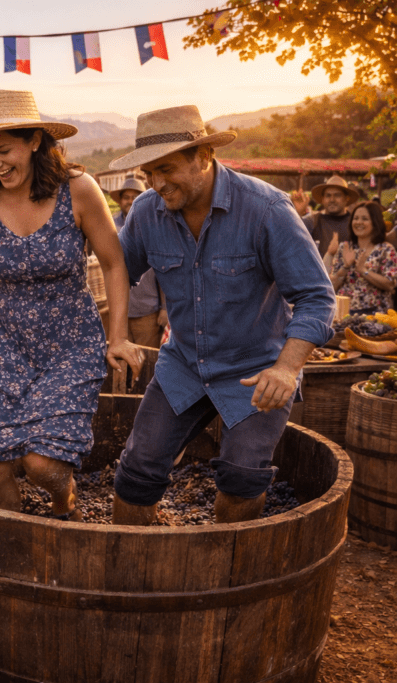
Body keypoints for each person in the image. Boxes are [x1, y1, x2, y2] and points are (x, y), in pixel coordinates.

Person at [0, 90, 140, 519]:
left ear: (35, 140)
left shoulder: (79, 190)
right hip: (4, 338)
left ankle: (63, 501)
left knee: (42, 465)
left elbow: (114, 264)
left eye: (4, 150)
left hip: (70, 338)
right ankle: (13, 550)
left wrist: (119, 337)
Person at [108, 105, 335, 525]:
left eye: (166, 169)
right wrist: (114, 333)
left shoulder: (266, 209)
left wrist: (286, 369)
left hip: (256, 370)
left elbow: (317, 298)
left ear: (203, 156)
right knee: (136, 473)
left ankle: (226, 574)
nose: (156, 183)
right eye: (148, 174)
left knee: (243, 477)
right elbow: (116, 270)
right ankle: (132, 569)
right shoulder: (145, 213)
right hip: (184, 363)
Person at [112, 177, 166, 347]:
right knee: (122, 364)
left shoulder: (153, 225)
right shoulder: (110, 224)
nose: (130, 201)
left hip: (147, 310)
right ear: (120, 200)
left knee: (147, 361)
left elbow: (162, 270)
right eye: (126, 197)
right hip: (120, 312)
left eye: (135, 197)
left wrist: (165, 307)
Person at [327, 201, 396, 314]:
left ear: (375, 222)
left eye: (365, 219)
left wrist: (364, 271)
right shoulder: (345, 248)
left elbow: (390, 284)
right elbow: (332, 287)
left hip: (374, 316)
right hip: (344, 314)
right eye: (356, 218)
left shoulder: (386, 250)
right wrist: (345, 267)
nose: (359, 222)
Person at [292, 175, 360, 258]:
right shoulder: (312, 221)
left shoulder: (355, 223)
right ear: (323, 199)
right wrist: (296, 212)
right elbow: (289, 237)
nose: (332, 200)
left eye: (337, 195)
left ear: (346, 198)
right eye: (328, 195)